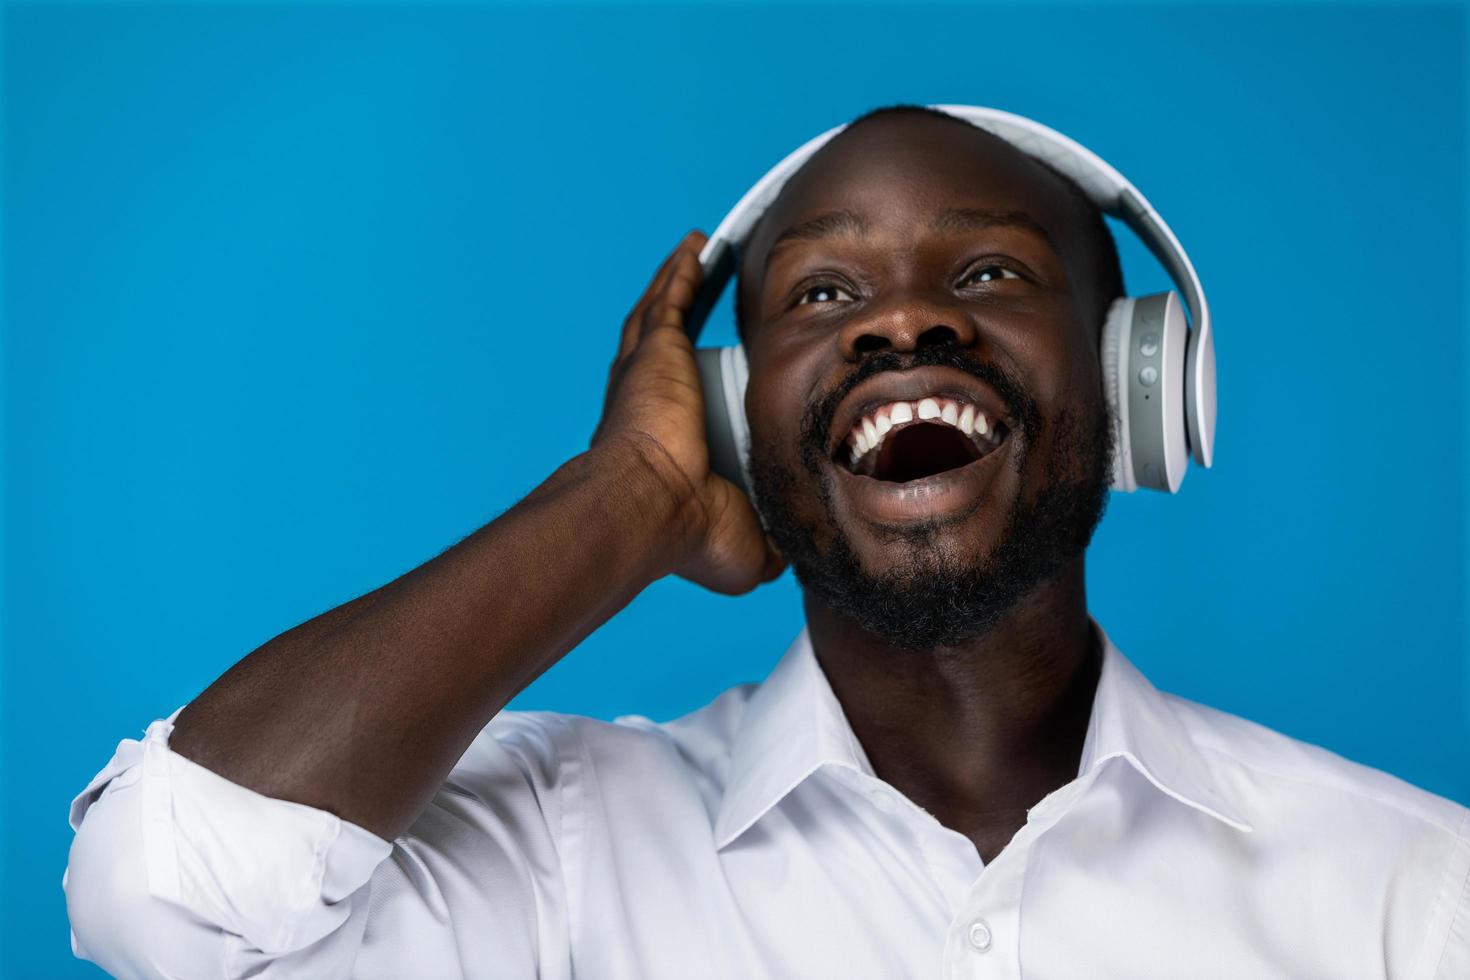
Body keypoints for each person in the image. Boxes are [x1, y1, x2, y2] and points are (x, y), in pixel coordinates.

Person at [64, 105, 1468, 979]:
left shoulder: (1412, 893)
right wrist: (623, 501)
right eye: (819, 293)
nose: (899, 322)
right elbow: (165, 898)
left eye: (987, 273)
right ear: (740, 418)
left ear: (1132, 379)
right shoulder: (559, 855)